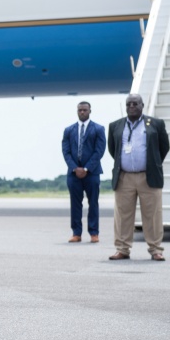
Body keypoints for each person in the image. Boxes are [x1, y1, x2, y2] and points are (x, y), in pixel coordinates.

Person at [107, 93, 169, 261]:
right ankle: (122, 249)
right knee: (123, 215)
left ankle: (156, 249)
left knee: (153, 215)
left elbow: (164, 147)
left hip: (148, 177)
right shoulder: (115, 126)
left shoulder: (155, 124)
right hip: (124, 177)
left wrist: (152, 164)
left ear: (142, 105)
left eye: (135, 104)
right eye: (129, 104)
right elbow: (113, 150)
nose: (132, 106)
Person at [61, 101, 106, 243]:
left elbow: (99, 151)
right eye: (80, 110)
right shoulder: (69, 130)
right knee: (75, 204)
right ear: (77, 111)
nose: (82, 112)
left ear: (90, 111)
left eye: (84, 110)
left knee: (93, 203)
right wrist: (75, 168)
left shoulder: (98, 129)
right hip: (73, 173)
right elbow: (66, 152)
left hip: (92, 173)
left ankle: (94, 233)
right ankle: (76, 233)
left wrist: (86, 169)